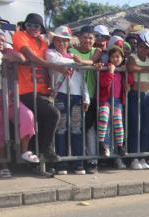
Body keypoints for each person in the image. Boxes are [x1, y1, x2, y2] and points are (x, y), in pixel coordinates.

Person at [0, 27, 37, 178]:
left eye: (2, 39)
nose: (0, 42)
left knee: (27, 116)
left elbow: (21, 58)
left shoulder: (7, 52)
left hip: (11, 100)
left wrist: (2, 57)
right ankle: (3, 165)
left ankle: (24, 152)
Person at [12, 13, 66, 162]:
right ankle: (45, 151)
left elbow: (57, 48)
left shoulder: (43, 42)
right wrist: (55, 66)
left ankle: (37, 156)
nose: (33, 28)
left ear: (41, 27)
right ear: (25, 26)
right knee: (53, 114)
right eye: (29, 25)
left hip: (43, 90)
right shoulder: (19, 35)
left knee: (46, 120)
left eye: (37, 26)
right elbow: (32, 58)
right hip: (26, 90)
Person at [46, 25, 90, 175]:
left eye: (65, 40)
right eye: (59, 40)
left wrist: (86, 97)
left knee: (76, 129)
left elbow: (81, 79)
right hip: (60, 94)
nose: (62, 43)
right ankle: (61, 163)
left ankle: (78, 162)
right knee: (61, 128)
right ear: (54, 40)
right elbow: (58, 62)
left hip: (77, 95)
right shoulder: (51, 53)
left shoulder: (74, 56)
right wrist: (77, 61)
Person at [70, 25, 103, 173]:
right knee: (76, 128)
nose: (87, 40)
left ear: (94, 39)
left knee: (89, 129)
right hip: (75, 94)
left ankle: (92, 161)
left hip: (92, 95)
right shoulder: (72, 51)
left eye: (91, 37)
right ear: (79, 38)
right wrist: (88, 63)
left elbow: (94, 59)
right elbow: (87, 62)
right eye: (85, 37)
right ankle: (77, 159)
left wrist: (82, 63)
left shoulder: (97, 51)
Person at [126, 31, 149, 170]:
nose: (145, 49)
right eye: (142, 46)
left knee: (145, 128)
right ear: (138, 47)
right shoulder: (132, 56)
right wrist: (146, 69)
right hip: (135, 94)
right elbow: (131, 67)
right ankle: (134, 158)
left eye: (147, 47)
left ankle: (142, 156)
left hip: (148, 95)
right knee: (135, 126)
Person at [96, 46, 127, 167]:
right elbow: (104, 83)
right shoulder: (106, 68)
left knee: (118, 122)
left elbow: (129, 81)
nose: (115, 59)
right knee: (104, 118)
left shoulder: (123, 70)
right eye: (113, 56)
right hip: (105, 100)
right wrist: (110, 72)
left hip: (117, 101)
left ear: (122, 58)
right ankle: (101, 144)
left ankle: (120, 146)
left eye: (118, 57)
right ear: (109, 58)